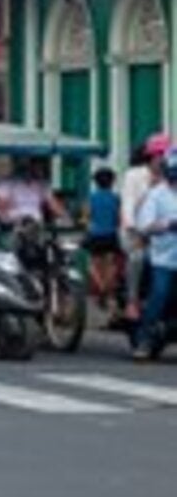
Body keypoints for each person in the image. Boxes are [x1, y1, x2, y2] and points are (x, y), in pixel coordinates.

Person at [133, 148, 177, 359]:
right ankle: (145, 338)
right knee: (159, 294)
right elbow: (144, 225)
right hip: (164, 259)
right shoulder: (156, 195)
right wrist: (167, 225)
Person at [121, 136, 169, 321]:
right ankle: (132, 301)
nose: (164, 160)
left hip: (164, 235)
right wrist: (133, 227)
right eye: (161, 155)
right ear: (152, 156)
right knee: (138, 257)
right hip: (135, 233)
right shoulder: (134, 176)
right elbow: (128, 204)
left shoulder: (171, 178)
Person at [0, 156, 71, 225]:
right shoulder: (6, 183)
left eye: (42, 167)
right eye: (37, 166)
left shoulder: (43, 184)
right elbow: (1, 208)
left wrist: (66, 216)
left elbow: (53, 204)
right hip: (14, 222)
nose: (40, 170)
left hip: (35, 223)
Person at [85, 165, 121, 311]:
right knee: (111, 265)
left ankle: (100, 287)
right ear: (112, 182)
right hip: (111, 234)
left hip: (95, 234)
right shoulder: (116, 198)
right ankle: (106, 289)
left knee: (93, 265)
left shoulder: (92, 197)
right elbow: (118, 218)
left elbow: (86, 216)